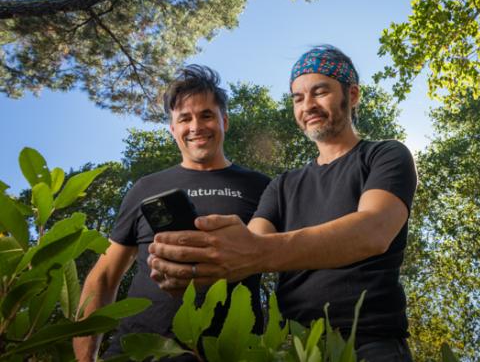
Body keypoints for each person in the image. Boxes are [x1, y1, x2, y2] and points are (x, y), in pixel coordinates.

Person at [148, 46, 418, 361]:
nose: (308, 106)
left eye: (320, 92)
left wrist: (253, 253)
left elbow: (373, 230)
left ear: (353, 94)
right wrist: (195, 266)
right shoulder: (282, 185)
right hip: (291, 348)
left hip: (370, 343)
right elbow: (249, 246)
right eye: (298, 98)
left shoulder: (385, 155)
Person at [73, 65, 270, 361]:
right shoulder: (146, 187)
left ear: (224, 121)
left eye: (206, 115)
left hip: (230, 352)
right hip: (139, 351)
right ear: (173, 129)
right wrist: (85, 358)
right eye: (184, 119)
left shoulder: (260, 186)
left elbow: (289, 259)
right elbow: (103, 276)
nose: (196, 127)